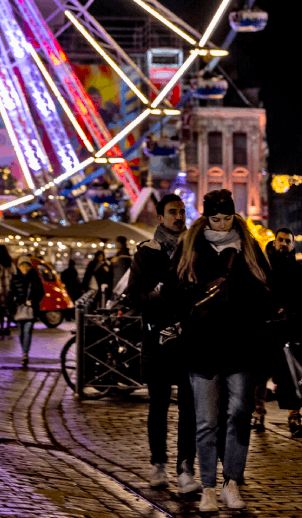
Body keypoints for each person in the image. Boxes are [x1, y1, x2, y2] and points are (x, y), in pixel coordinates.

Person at [167, 189, 272, 512]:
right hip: (202, 345)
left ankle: (232, 482)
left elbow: (267, 289)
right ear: (206, 217)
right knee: (206, 421)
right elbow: (173, 291)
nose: (224, 224)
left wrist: (247, 304)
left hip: (240, 344)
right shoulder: (190, 247)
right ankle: (209, 487)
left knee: (239, 415)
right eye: (217, 218)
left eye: (228, 218)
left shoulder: (249, 247)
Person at [126, 194, 200, 495]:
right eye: (173, 212)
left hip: (188, 340)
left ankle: (186, 468)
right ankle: (158, 463)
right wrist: (158, 296)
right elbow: (134, 297)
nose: (179, 217)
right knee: (158, 405)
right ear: (160, 217)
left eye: (182, 212)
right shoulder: (147, 253)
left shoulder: (195, 252)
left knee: (189, 408)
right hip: (156, 338)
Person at [254, 228, 302, 436]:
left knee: (291, 376)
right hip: (265, 327)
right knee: (260, 374)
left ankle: (294, 417)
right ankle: (258, 413)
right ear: (274, 243)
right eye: (280, 240)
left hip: (288, 329)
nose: (283, 244)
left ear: (292, 245)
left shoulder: (298, 270)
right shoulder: (263, 267)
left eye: (287, 241)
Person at [8, 256, 44, 367]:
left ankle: (25, 354)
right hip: (19, 309)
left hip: (31, 310)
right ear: (18, 266)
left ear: (29, 266)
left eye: (26, 265)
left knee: (27, 331)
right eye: (21, 265)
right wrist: (12, 308)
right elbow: (11, 294)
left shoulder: (35, 278)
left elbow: (41, 293)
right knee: (21, 332)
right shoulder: (15, 278)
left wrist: (33, 302)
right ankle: (24, 351)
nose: (24, 267)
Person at [0, 245, 15, 337]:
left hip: (0, 289)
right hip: (9, 288)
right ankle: (8, 327)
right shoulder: (10, 262)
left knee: (1, 310)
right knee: (9, 309)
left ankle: (1, 327)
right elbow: (14, 274)